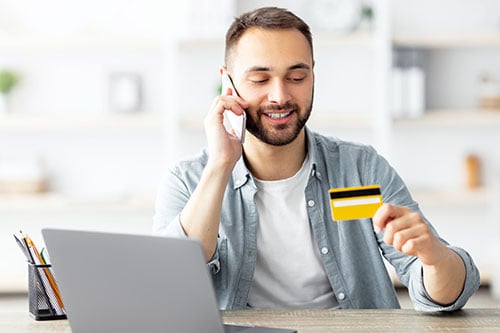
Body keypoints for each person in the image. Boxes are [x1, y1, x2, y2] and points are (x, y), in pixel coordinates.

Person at [153, 7, 480, 310]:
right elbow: (168, 287)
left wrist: (434, 257)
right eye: (260, 79)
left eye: (297, 77)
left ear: (313, 75)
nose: (280, 96)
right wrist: (220, 165)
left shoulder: (358, 171)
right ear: (228, 82)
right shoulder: (189, 180)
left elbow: (444, 295)